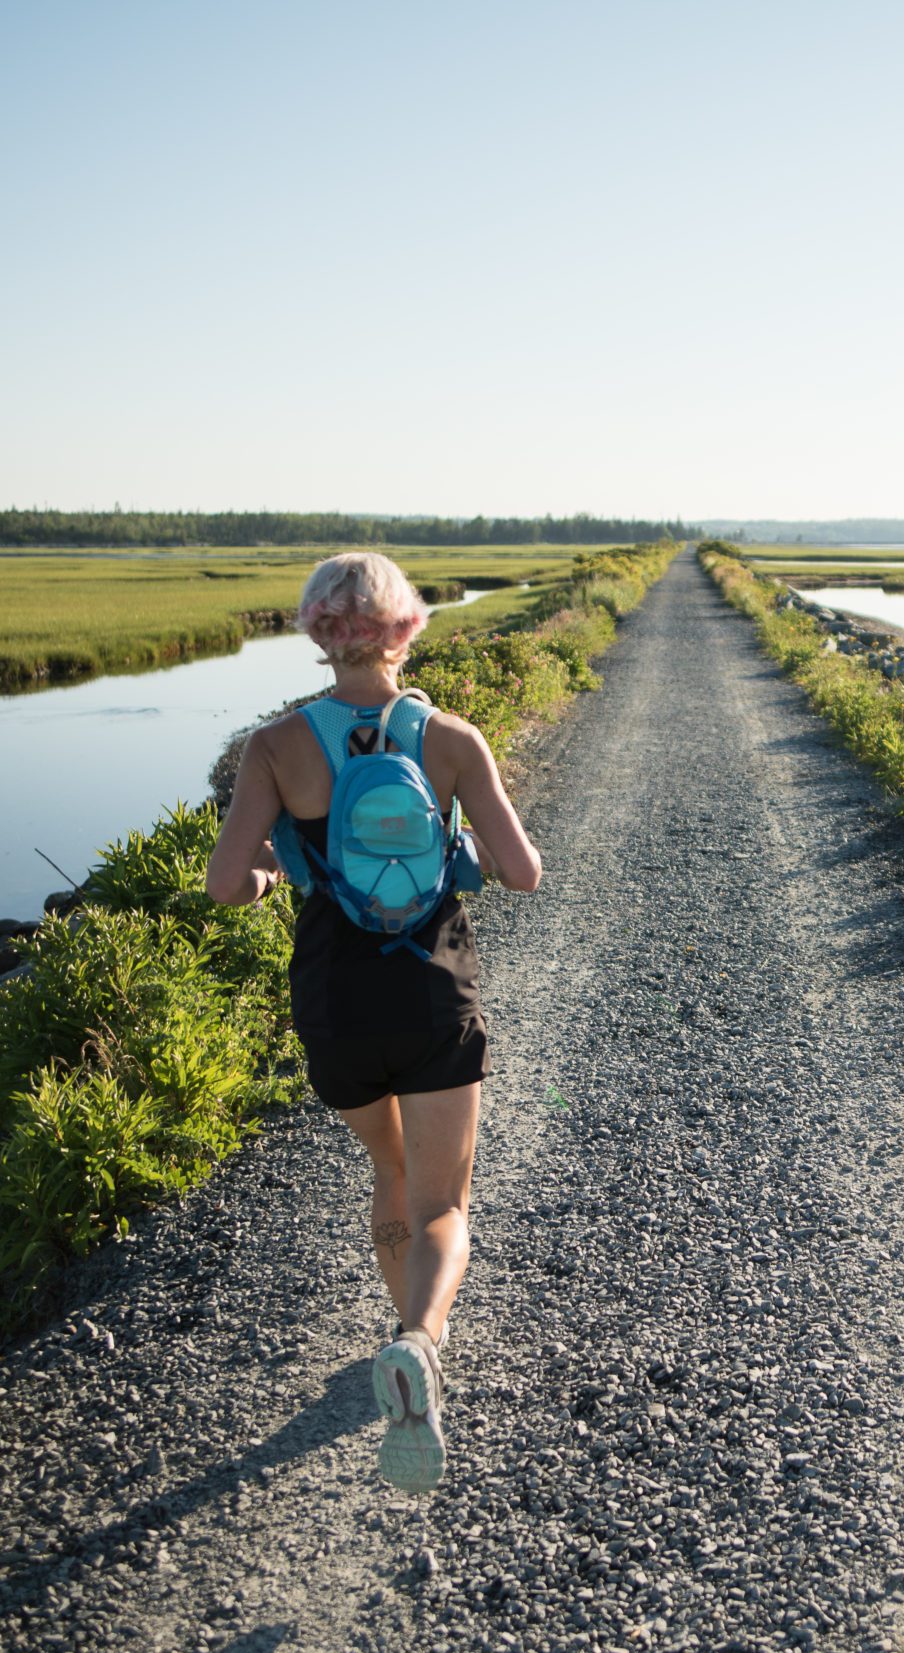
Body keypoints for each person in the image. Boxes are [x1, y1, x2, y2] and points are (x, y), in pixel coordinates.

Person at [206, 551, 541, 1494]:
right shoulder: (450, 738)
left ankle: (408, 1356)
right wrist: (460, 841)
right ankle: (420, 1344)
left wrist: (281, 870)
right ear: (406, 630)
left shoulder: (275, 746)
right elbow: (524, 874)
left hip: (335, 1003)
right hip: (433, 991)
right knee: (444, 1203)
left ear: (319, 632)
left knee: (389, 1171)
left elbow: (227, 885)